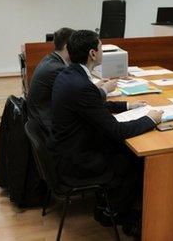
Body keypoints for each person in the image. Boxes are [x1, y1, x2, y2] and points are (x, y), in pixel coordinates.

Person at [49, 30, 163, 235]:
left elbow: (93, 106)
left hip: (67, 150)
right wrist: (149, 119)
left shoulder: (69, 75)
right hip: (78, 161)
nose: (103, 51)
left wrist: (128, 105)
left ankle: (109, 207)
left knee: (124, 152)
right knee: (134, 159)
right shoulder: (81, 84)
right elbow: (117, 130)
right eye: (101, 47)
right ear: (93, 53)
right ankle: (117, 214)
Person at [27, 27, 117, 131]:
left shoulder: (51, 59)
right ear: (67, 47)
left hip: (41, 116)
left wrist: (94, 87)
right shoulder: (58, 70)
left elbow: (78, 93)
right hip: (47, 124)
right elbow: (85, 99)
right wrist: (105, 89)